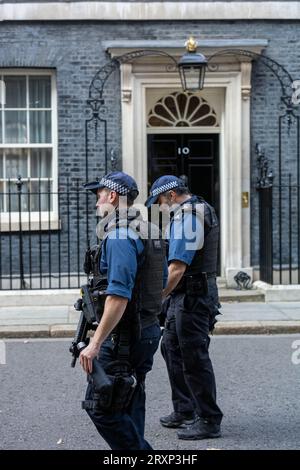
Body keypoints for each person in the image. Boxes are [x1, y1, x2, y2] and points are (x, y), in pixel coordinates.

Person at [80, 171, 165, 450]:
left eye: (99, 195)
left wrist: (95, 343)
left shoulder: (119, 236)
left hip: (125, 337)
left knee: (102, 406)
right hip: (146, 330)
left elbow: (118, 295)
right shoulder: (149, 229)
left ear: (113, 196)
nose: (96, 202)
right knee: (130, 398)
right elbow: (161, 282)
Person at [145, 175, 223, 440]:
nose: (159, 207)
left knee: (194, 357)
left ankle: (209, 419)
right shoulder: (188, 213)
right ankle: (186, 410)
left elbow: (177, 267)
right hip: (184, 296)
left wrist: (155, 300)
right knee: (171, 347)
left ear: (170, 195)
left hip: (193, 297)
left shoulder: (189, 217)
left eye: (159, 201)